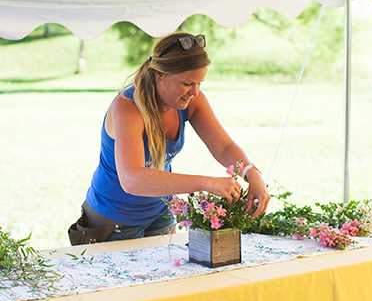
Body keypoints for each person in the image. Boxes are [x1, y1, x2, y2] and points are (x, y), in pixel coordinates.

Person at [81, 32, 270, 242]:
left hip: (159, 210)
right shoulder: (127, 107)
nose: (195, 92)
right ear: (160, 75)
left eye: (200, 83)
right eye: (188, 83)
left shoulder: (190, 102)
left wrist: (251, 173)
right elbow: (132, 179)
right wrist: (206, 183)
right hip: (113, 218)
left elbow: (224, 147)